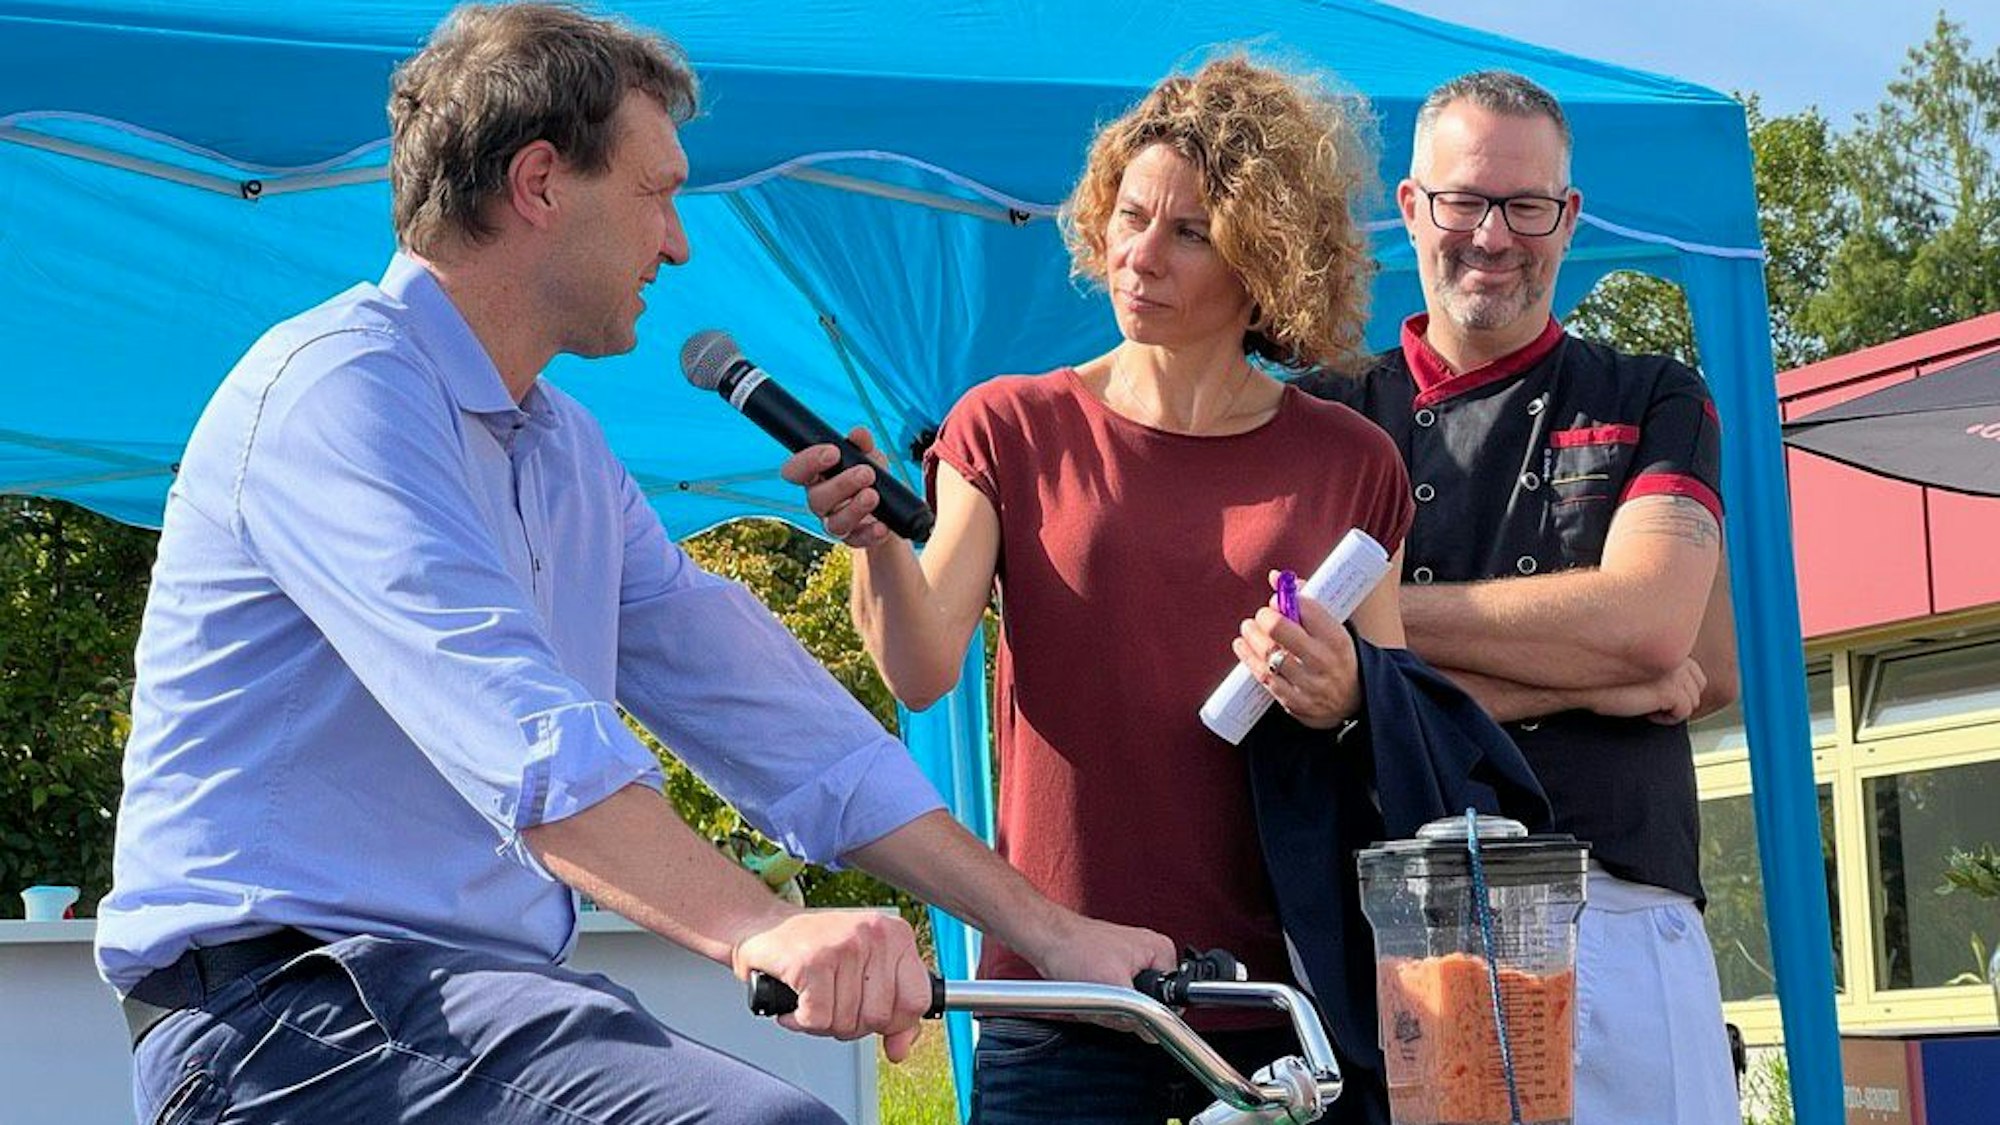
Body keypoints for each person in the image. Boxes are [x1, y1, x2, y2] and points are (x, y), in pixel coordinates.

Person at [93, 5, 1174, 1124]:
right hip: (282, 1020)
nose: (678, 242)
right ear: (541, 184)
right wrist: (760, 927)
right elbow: (525, 740)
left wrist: (1053, 934)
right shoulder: (339, 395)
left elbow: (775, 720)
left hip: (453, 1006)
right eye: (657, 193)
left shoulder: (562, 449)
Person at [787, 57, 1417, 1125]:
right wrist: (871, 540)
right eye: (1128, 217)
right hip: (1056, 994)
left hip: (1283, 1006)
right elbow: (920, 665)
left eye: (1188, 234)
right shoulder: (1006, 424)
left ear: (1266, 260)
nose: (1138, 256)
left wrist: (1349, 687)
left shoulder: (1352, 460)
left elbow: (1403, 734)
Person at [1300, 70, 1743, 1124]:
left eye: (1525, 205)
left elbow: (1670, 643)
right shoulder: (1321, 417)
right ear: (1409, 207)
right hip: (1391, 924)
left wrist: (1377, 658)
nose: (1492, 237)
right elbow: (1286, 667)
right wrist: (1589, 672)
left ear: (1567, 216)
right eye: (1461, 200)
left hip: (1620, 907)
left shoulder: (1650, 395)